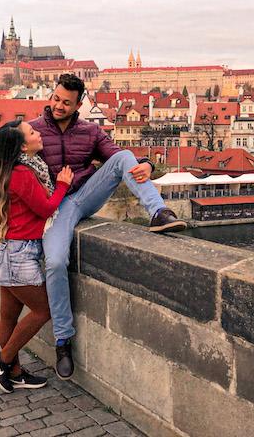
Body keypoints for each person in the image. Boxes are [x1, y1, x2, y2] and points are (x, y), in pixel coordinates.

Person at [30, 74, 187, 380]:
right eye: (56, 99)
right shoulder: (34, 129)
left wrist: (147, 164)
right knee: (56, 262)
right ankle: (63, 340)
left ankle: (158, 212)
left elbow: (119, 158)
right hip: (55, 206)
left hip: (85, 196)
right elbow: (11, 165)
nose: (59, 105)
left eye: (66, 102)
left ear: (78, 105)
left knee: (125, 156)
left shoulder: (90, 130)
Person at [0, 119, 74, 393]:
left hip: (6, 249)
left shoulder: (6, 169)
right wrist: (63, 185)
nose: (38, 133)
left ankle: (16, 373)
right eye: (33, 132)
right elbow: (46, 209)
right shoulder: (22, 174)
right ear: (22, 146)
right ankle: (4, 360)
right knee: (43, 310)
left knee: (9, 317)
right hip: (20, 253)